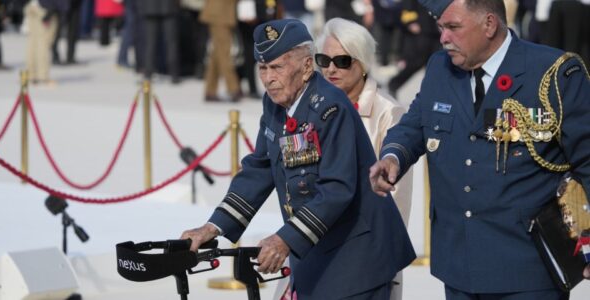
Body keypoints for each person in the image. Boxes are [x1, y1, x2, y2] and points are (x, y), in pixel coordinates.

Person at [369, 0, 590, 299]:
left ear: (489, 24)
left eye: (453, 27)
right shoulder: (440, 68)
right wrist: (393, 156)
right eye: (441, 28)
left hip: (527, 267)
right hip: (459, 264)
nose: (444, 38)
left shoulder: (553, 73)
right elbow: (415, 124)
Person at [180, 19, 415, 300]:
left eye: (277, 67)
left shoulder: (331, 108)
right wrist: (213, 227)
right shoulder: (276, 102)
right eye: (263, 68)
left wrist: (284, 240)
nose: (267, 78)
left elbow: (337, 188)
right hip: (317, 247)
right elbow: (261, 167)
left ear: (306, 68)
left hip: (357, 256)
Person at [314, 17, 413, 300]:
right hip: (314, 244)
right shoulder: (312, 106)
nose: (331, 68)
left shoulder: (388, 113)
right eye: (324, 59)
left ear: (363, 63)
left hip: (365, 256)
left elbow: (396, 201)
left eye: (343, 61)